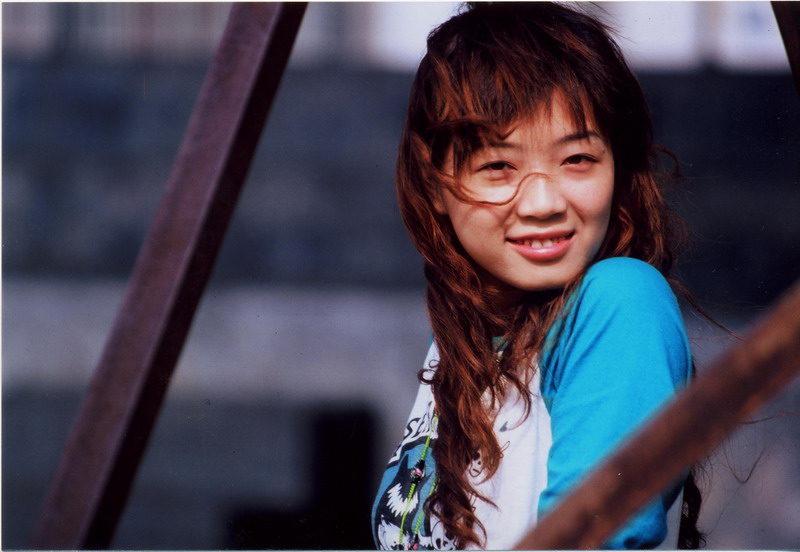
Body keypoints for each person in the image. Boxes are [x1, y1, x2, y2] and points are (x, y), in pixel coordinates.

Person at [371, 2, 704, 550]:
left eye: (576, 160)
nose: (544, 202)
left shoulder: (620, 303)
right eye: (499, 167)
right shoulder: (468, 334)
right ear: (434, 183)